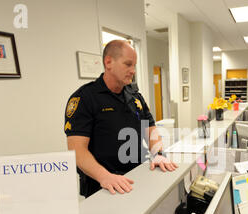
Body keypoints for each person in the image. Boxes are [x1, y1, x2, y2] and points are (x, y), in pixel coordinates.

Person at [64, 40, 177, 198]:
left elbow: (150, 127)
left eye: (134, 66)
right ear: (108, 62)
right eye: (128, 64)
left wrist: (158, 153)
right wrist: (104, 176)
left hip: (137, 177)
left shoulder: (135, 97)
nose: (132, 71)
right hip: (104, 186)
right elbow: (77, 150)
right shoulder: (85, 98)